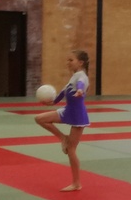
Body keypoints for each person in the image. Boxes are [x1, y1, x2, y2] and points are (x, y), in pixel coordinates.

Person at [34, 50, 91, 192]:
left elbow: (81, 84)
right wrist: (52, 102)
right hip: (67, 111)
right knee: (40, 119)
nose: (68, 63)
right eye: (68, 60)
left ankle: (76, 183)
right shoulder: (73, 77)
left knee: (71, 150)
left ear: (80, 62)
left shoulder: (82, 77)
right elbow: (62, 93)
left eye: (71, 60)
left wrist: (80, 91)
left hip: (77, 115)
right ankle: (63, 138)